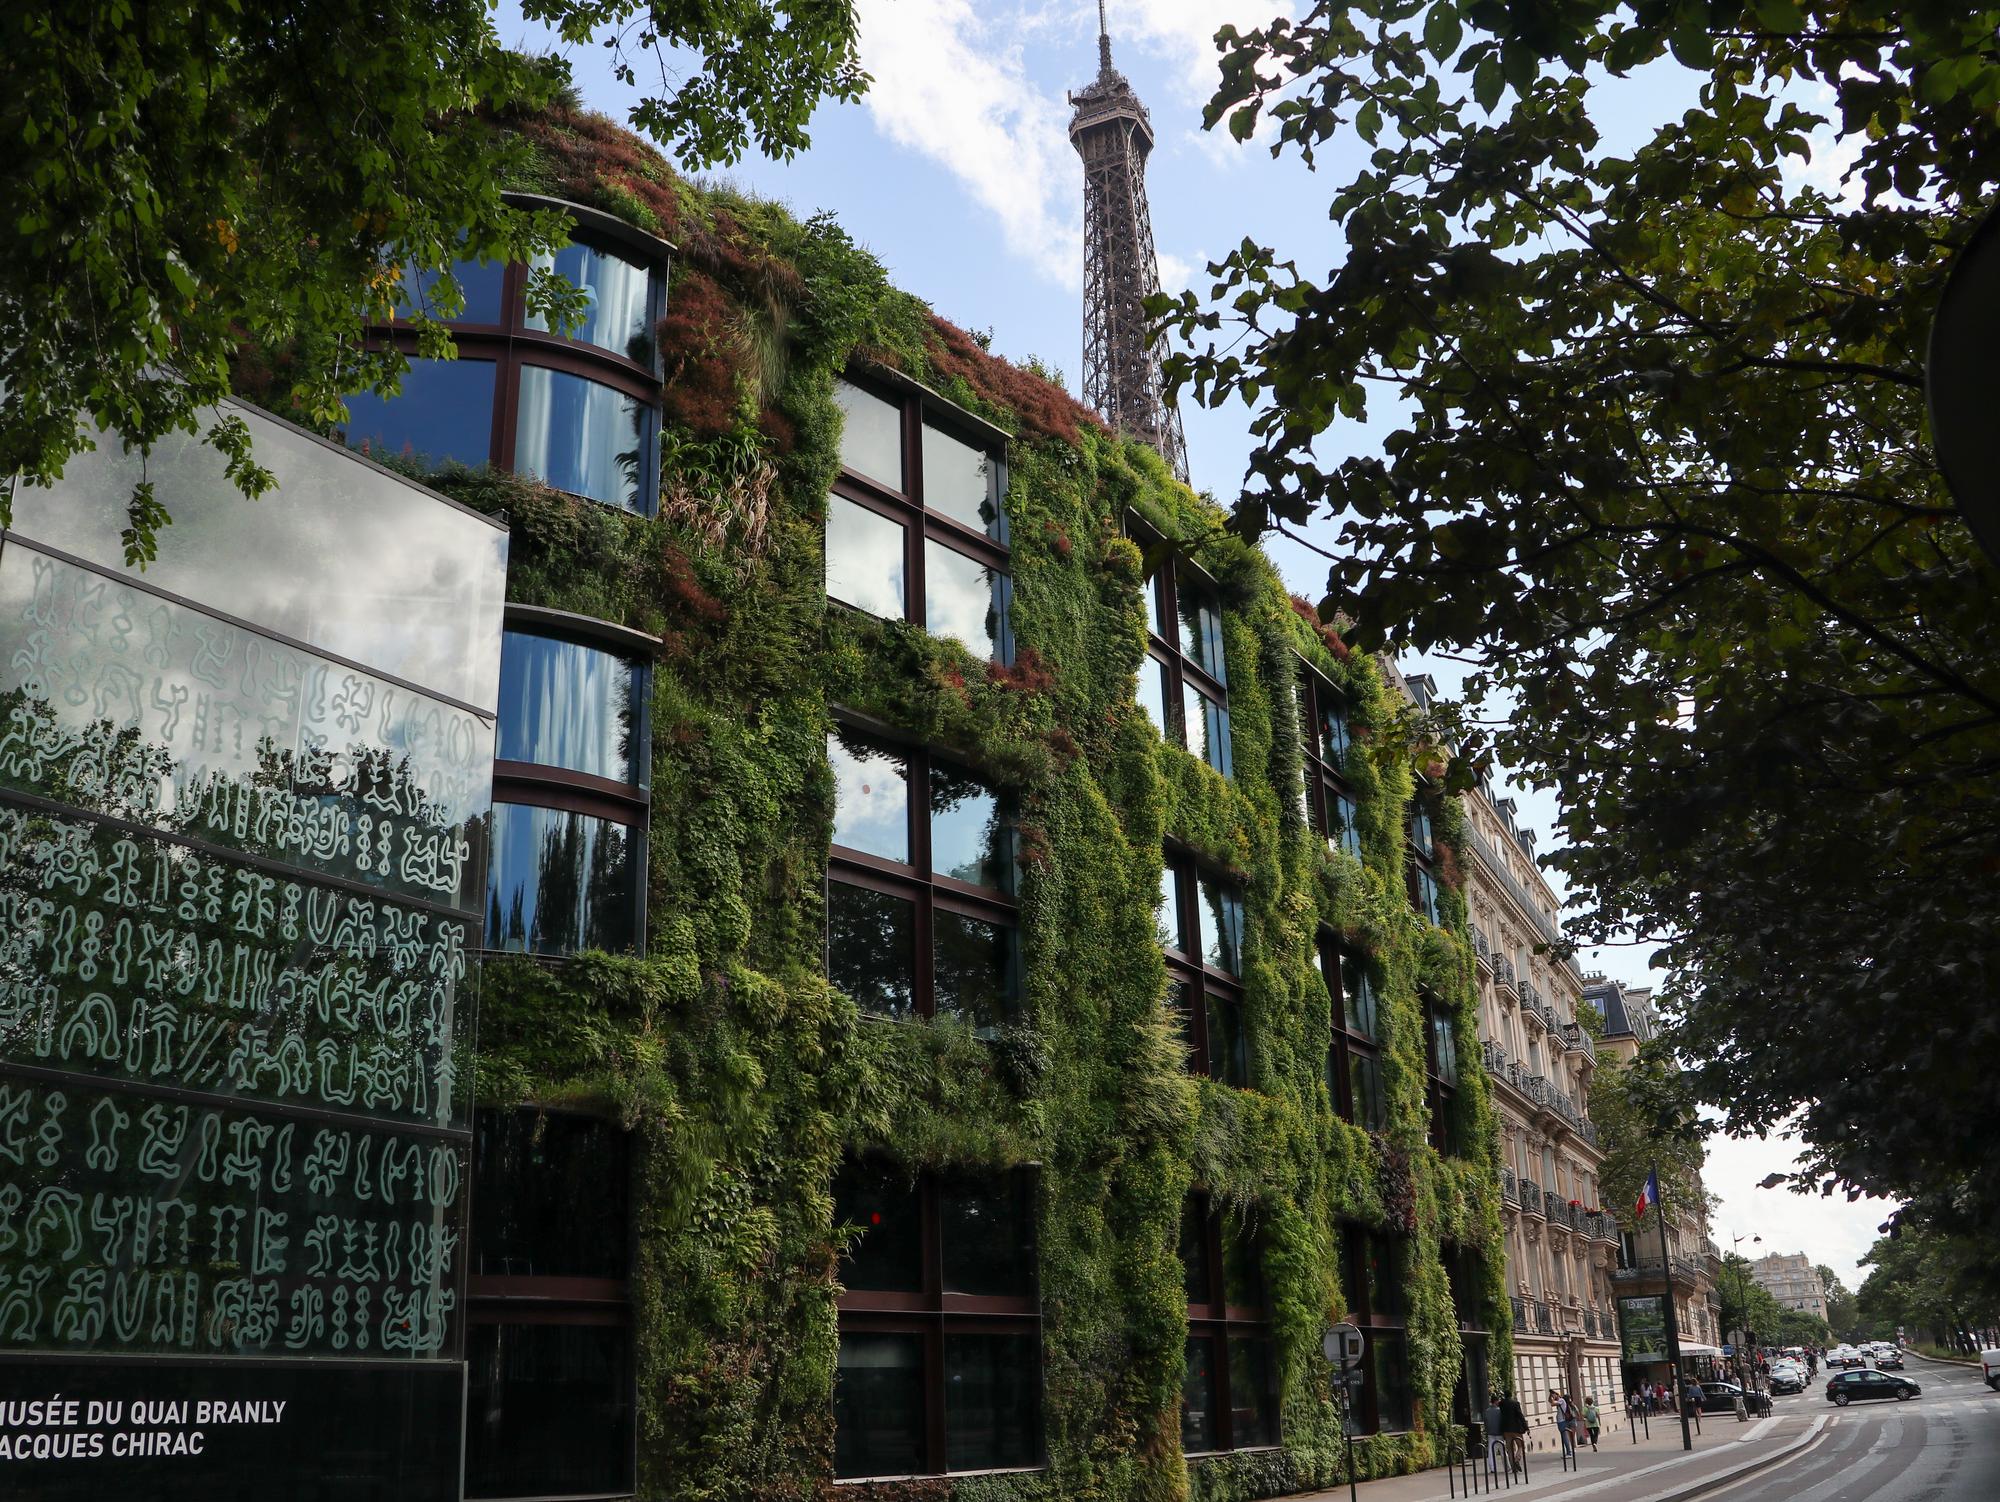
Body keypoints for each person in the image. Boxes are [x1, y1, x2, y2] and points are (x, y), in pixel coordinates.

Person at [1499, 1390, 1530, 1477]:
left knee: (1510, 1448)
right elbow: (1520, 1415)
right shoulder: (1515, 1403)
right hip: (1516, 1429)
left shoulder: (1501, 1404)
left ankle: (1513, 1467)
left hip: (1506, 1429)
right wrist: (1526, 1427)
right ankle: (1517, 1459)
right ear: (1511, 1395)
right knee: (1521, 1446)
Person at [1483, 1394, 1506, 1479]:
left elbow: (1485, 1422)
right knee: (1502, 1451)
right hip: (1499, 1433)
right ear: (1496, 1401)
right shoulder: (1500, 1411)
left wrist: (1487, 1430)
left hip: (1490, 1433)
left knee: (1491, 1451)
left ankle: (1492, 1468)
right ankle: (1507, 1467)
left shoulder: (1487, 1411)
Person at [1551, 1390, 1576, 1460]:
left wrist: (1553, 1398)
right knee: (1564, 1437)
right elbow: (1551, 1402)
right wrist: (1551, 1396)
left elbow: (1552, 1404)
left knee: (1565, 1437)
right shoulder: (1560, 1401)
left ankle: (1569, 1453)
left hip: (1562, 1421)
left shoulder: (1561, 1400)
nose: (1553, 1396)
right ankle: (1569, 1452)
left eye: (1554, 1395)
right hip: (1561, 1421)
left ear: (1557, 1395)